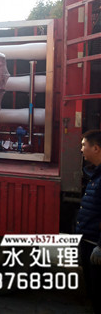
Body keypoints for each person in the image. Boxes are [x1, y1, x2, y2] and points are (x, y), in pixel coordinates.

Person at [76, 129, 101, 314]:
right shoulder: (95, 175)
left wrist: (100, 245)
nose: (81, 149)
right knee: (92, 290)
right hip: (88, 242)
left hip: (94, 245)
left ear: (96, 148)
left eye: (84, 145)